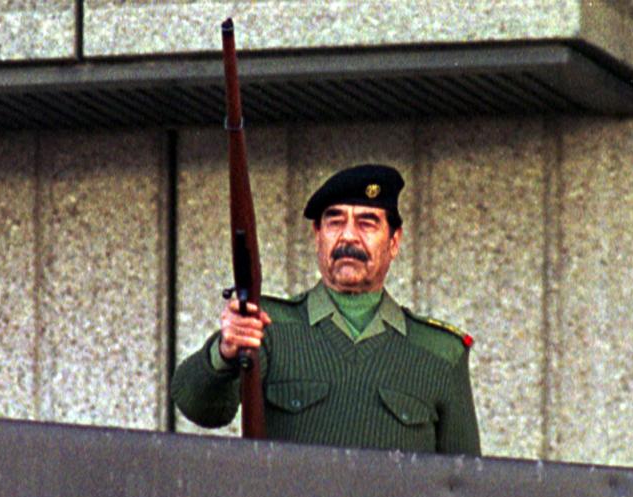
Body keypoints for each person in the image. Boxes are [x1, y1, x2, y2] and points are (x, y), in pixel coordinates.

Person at [172, 164, 480, 455]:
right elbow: (196, 406)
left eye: (367, 222)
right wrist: (224, 352)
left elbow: (465, 484)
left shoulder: (440, 352)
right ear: (317, 235)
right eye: (335, 221)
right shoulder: (267, 328)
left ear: (394, 241)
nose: (348, 236)